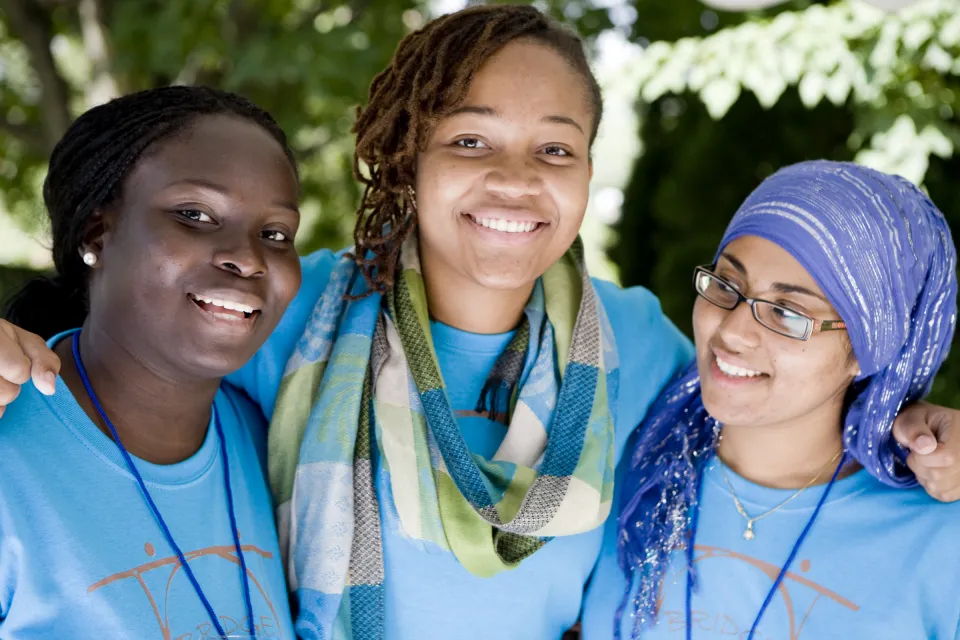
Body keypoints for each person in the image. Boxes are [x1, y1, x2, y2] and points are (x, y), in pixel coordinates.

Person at [0, 7, 958, 640]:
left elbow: (780, 416)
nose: (515, 180)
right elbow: (129, 363)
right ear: (408, 156)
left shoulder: (641, 349)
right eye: (470, 139)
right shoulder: (294, 315)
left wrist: (912, 427)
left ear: (588, 172)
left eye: (556, 149)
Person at [580, 160, 960, 640]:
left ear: (868, 350)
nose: (733, 331)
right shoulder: (628, 462)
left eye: (787, 312)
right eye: (726, 285)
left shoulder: (942, 537)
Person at [0, 86, 302, 638]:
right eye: (196, 215)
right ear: (97, 232)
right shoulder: (9, 447)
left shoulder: (272, 439)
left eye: (275, 234)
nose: (249, 258)